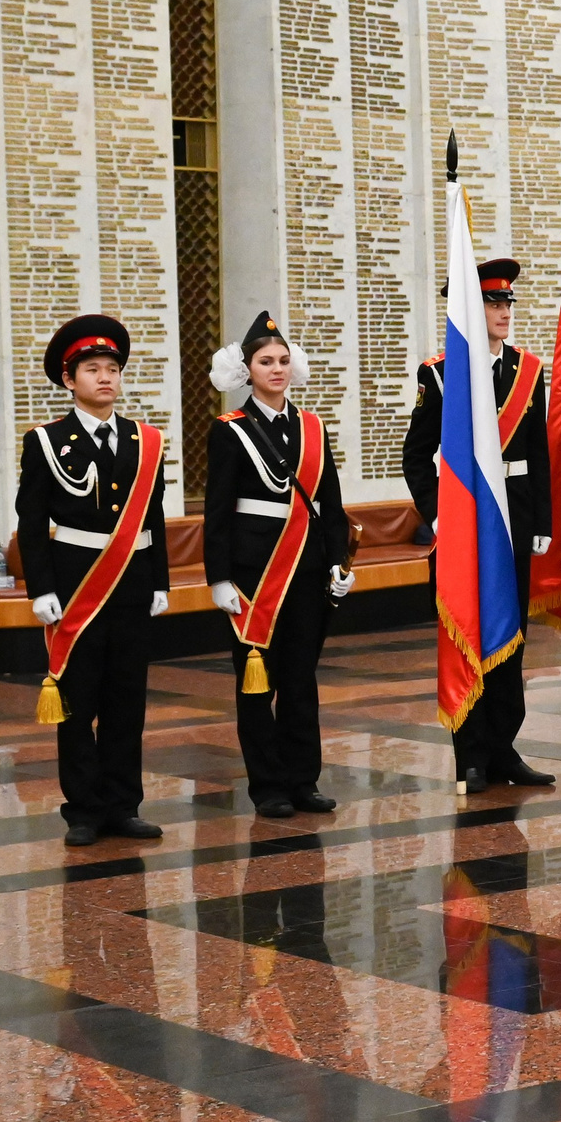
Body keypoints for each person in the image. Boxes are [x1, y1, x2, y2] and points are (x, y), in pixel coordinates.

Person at [402, 258, 557, 793]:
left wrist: (540, 520)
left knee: (510, 637)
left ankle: (504, 748)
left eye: (507, 303)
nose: (503, 312)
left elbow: (536, 451)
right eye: (492, 303)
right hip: (465, 523)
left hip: (513, 518)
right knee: (466, 631)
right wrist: (438, 512)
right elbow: (417, 456)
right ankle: (470, 754)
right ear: (470, 309)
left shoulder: (527, 371)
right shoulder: (442, 372)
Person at [20, 315, 170, 847]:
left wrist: (160, 581)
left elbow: (152, 516)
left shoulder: (145, 440)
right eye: (92, 369)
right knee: (78, 703)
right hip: (76, 589)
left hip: (130, 587)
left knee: (127, 701)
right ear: (69, 380)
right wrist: (40, 588)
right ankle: (83, 810)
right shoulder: (46, 441)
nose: (105, 378)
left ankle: (123, 805)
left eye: (112, 369)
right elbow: (32, 522)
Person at [208, 311, 353, 817]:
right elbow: (218, 511)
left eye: (283, 360)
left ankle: (302, 779)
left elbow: (330, 505)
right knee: (256, 683)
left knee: (299, 679)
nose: (276, 369)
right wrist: (219, 577)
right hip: (254, 576)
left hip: (308, 571)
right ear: (246, 370)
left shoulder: (312, 427)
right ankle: (267, 785)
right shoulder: (230, 430)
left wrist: (338, 560)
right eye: (265, 361)